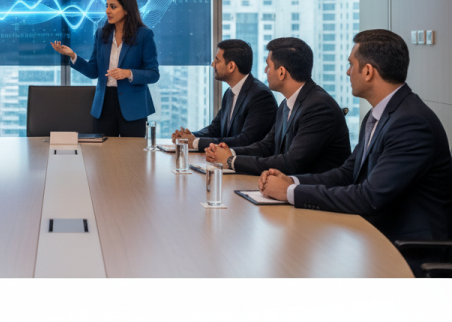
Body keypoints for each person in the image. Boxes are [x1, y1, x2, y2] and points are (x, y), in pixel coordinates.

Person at [259, 30, 452, 253]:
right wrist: (292, 181)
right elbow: (346, 174)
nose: (348, 72)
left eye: (351, 64)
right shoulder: (377, 116)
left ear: (368, 71)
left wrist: (290, 192)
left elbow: (368, 197)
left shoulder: (411, 123)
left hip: (408, 249)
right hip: (373, 235)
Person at [205, 37, 351, 175]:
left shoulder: (319, 107)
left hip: (311, 194)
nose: (265, 71)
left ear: (281, 72)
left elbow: (291, 162)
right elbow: (267, 146)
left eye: (268, 65)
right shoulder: (287, 103)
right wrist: (230, 153)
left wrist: (231, 161)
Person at [51, 0, 159, 137]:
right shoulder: (102, 34)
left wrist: (128, 73)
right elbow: (93, 71)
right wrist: (73, 56)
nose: (108, 11)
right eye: (107, 6)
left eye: (113, 7)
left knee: (133, 155)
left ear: (127, 9)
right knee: (103, 156)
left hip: (133, 106)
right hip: (104, 105)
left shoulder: (144, 35)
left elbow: (153, 74)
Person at [171, 39, 276, 151]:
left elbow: (246, 141)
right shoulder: (230, 92)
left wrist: (196, 143)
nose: (213, 64)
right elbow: (215, 129)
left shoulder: (261, 96)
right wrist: (189, 137)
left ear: (231, 66)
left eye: (217, 60)